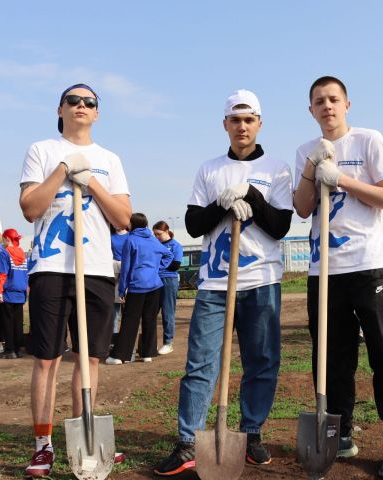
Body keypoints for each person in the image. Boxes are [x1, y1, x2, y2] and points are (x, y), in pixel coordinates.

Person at [154, 89, 293, 476]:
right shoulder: (209, 169)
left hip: (261, 280)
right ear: (225, 124)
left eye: (249, 119)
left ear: (259, 123)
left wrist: (251, 195)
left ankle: (251, 434)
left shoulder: (278, 169)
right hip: (215, 284)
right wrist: (222, 203)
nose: (242, 126)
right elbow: (195, 224)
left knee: (262, 361)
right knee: (201, 364)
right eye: (235, 119)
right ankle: (188, 441)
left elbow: (280, 227)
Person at [292, 76, 383, 478]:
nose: (326, 106)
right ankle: (340, 433)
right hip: (323, 270)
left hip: (369, 266)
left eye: (333, 99)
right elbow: (302, 208)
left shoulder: (368, 140)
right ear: (310, 110)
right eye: (318, 101)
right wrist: (313, 168)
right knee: (331, 358)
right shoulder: (305, 151)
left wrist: (342, 179)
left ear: (346, 104)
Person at [19, 83, 131, 478]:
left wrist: (92, 181)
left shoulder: (109, 159)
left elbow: (123, 219)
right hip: (51, 268)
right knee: (47, 358)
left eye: (90, 102)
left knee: (90, 357)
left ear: (97, 113)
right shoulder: (42, 150)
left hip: (96, 269)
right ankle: (43, 444)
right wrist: (64, 170)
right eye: (74, 101)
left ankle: (83, 438)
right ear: (60, 108)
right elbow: (30, 208)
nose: (82, 106)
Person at [106, 213, 173, 364]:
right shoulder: (152, 239)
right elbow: (169, 254)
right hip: (155, 285)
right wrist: (157, 268)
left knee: (130, 321)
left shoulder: (130, 240)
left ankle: (119, 357)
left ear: (132, 224)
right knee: (150, 320)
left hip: (137, 286)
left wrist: (122, 289)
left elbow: (126, 268)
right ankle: (147, 354)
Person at [0, 228, 29, 359]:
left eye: (4, 240)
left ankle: (10, 350)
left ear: (7, 239)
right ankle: (18, 349)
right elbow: (26, 274)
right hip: (20, 292)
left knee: (7, 322)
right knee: (18, 322)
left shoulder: (4, 253)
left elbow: (1, 273)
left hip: (8, 292)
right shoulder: (23, 254)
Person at [152, 220, 184, 355]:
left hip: (168, 280)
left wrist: (158, 266)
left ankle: (168, 343)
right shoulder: (154, 245)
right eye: (154, 234)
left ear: (166, 231)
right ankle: (150, 344)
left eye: (158, 234)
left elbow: (175, 265)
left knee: (167, 312)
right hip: (153, 280)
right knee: (151, 312)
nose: (156, 237)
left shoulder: (176, 246)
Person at [110, 225, 129, 347]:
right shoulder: (110, 237)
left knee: (128, 311)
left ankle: (126, 339)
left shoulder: (131, 235)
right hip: (114, 272)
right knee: (114, 311)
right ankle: (113, 340)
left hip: (129, 273)